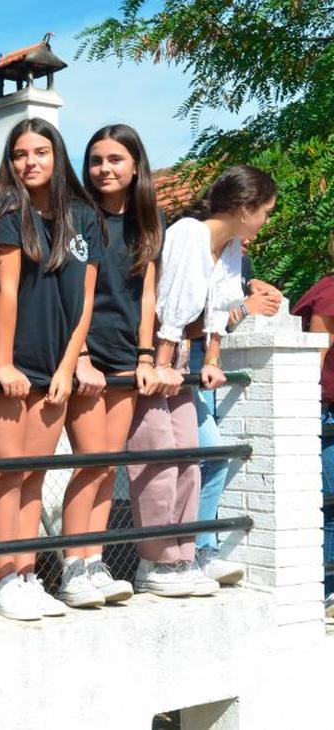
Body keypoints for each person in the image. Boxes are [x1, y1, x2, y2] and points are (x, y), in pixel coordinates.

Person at [127, 165, 277, 597]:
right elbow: (167, 306)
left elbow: (218, 309)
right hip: (158, 357)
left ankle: (187, 553)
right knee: (162, 460)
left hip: (182, 362)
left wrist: (211, 358)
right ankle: (155, 561)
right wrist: (162, 364)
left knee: (196, 457)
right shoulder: (188, 234)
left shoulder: (229, 247)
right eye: (265, 211)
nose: (266, 219)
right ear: (246, 208)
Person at [0, 118, 103, 620]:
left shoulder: (81, 216)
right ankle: (4, 577)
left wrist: (69, 365)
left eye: (40, 152)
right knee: (8, 475)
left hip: (56, 365)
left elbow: (84, 300)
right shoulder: (8, 208)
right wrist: (3, 364)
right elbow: (6, 289)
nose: (31, 162)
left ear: (57, 155)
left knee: (35, 475)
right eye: (21, 154)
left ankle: (27, 574)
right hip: (10, 363)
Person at [57, 125, 164, 608]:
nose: (104, 169)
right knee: (88, 462)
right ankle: (72, 566)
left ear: (135, 165)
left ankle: (95, 560)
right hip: (86, 355)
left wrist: (145, 355)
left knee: (107, 465)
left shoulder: (148, 221)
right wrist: (78, 356)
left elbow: (147, 295)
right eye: (97, 160)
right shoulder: (80, 217)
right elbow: (73, 293)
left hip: (124, 356)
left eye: (115, 159)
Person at [189, 249, 282, 585]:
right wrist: (245, 308)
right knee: (209, 455)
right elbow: (186, 322)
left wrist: (257, 292)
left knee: (209, 458)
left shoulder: (239, 260)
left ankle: (201, 548)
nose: (254, 236)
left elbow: (235, 308)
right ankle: (196, 550)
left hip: (213, 370)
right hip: (188, 367)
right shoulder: (197, 249)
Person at [293, 233, 334, 616]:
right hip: (326, 410)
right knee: (329, 503)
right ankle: (328, 590)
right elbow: (315, 359)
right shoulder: (328, 293)